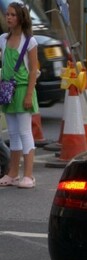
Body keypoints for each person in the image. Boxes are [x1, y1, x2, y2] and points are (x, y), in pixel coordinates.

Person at [0, 2, 38, 189]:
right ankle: (12, 173)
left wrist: (29, 95)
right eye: (7, 14)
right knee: (13, 134)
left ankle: (29, 175)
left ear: (21, 18)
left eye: (13, 15)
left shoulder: (29, 41)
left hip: (23, 90)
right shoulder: (2, 39)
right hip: (8, 91)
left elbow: (33, 70)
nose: (9, 18)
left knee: (25, 133)